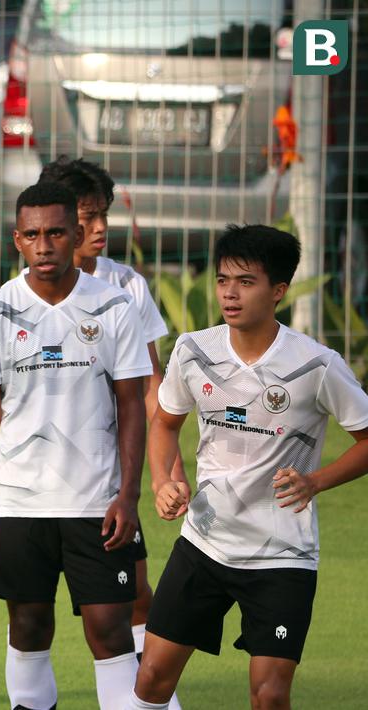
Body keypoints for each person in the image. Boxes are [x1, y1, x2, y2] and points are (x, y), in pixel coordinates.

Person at [129, 225, 368, 709]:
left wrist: (316, 480)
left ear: (278, 290)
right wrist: (164, 481)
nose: (229, 294)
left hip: (282, 556)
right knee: (151, 679)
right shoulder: (194, 351)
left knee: (269, 696)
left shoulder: (316, 366)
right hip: (204, 544)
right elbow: (164, 424)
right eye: (222, 281)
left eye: (245, 281)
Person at [0, 181, 152, 710]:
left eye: (56, 233)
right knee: (28, 622)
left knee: (111, 630)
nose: (44, 245)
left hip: (96, 500)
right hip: (19, 500)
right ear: (16, 240)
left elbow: (133, 404)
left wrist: (129, 494)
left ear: (76, 235)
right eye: (32, 234)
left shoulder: (114, 306)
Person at [38, 157, 180, 687]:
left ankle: (148, 697)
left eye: (104, 216)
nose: (99, 228)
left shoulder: (128, 287)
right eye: (88, 216)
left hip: (107, 474)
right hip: (40, 482)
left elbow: (150, 388)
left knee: (133, 596)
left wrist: (166, 473)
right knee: (35, 616)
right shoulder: (26, 293)